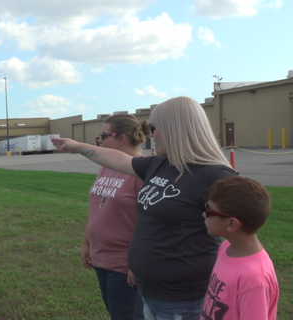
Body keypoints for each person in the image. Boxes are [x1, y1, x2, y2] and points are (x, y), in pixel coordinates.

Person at [52, 96, 237, 320]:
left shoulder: (215, 175)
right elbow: (118, 160)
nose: (150, 134)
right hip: (151, 292)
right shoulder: (159, 165)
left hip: (183, 299)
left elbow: (239, 233)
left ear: (173, 129)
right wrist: (78, 147)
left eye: (153, 127)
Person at [83, 114, 148, 320]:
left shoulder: (142, 170)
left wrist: (137, 264)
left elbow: (149, 223)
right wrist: (87, 243)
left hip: (123, 264)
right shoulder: (107, 165)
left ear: (121, 138)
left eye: (104, 135)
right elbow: (96, 206)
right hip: (101, 258)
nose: (100, 141)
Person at [200, 176, 279, 320]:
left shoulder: (254, 279)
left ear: (231, 224)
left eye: (209, 211)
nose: (204, 214)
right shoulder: (226, 247)